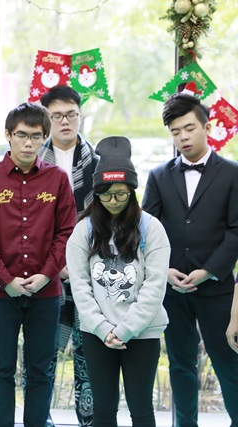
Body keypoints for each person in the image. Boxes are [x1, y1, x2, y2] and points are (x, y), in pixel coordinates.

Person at [0, 102, 76, 427]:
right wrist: (6, 279)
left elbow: (66, 232)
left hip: (46, 294)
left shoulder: (58, 180)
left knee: (40, 370)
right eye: (21, 135)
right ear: (8, 135)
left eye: (36, 136)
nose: (28, 144)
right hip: (0, 294)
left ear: (45, 137)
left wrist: (46, 275)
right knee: (1, 370)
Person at [142, 93, 238, 427]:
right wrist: (165, 270)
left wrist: (208, 270)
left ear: (207, 128)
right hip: (172, 289)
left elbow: (236, 230)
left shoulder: (232, 173)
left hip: (216, 287)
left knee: (227, 362)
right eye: (175, 131)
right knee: (181, 365)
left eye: (189, 128)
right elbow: (146, 229)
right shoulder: (158, 175)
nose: (182, 137)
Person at [66, 136, 170, 427]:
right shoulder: (83, 231)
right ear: (96, 193)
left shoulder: (151, 228)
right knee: (103, 410)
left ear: (132, 192)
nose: (113, 201)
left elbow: (154, 287)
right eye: (106, 194)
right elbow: (80, 286)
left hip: (143, 332)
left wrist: (125, 329)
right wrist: (103, 329)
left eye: (121, 194)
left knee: (141, 409)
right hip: (96, 333)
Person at [38, 85, 98, 427]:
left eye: (71, 115)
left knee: (89, 353)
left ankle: (89, 420)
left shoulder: (98, 164)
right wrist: (55, 265)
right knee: (42, 353)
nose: (64, 121)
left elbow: (109, 223)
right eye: (56, 115)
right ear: (46, 119)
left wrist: (77, 264)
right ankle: (39, 419)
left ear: (80, 115)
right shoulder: (31, 164)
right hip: (45, 275)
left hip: (90, 275)